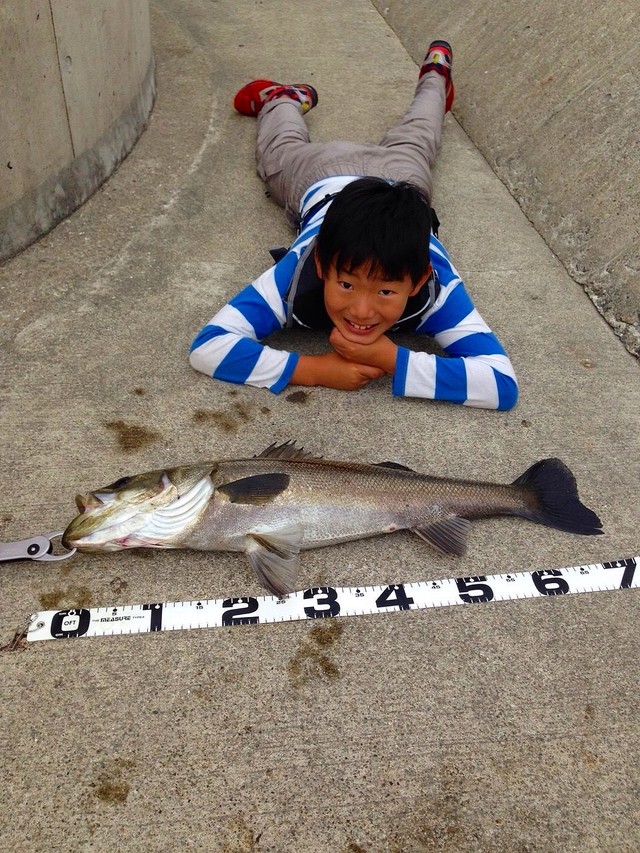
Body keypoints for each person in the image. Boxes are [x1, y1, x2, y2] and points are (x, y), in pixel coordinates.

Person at [189, 42, 518, 410]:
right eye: (346, 284)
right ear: (320, 264)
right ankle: (290, 97)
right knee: (410, 135)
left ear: (419, 280)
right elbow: (207, 346)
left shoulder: (437, 285)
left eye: (385, 291)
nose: (361, 311)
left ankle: (429, 76)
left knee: (415, 136)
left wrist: (391, 358)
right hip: (326, 174)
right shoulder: (297, 270)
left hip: (393, 176)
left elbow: (503, 385)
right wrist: (315, 370)